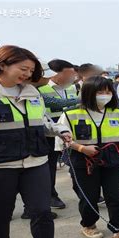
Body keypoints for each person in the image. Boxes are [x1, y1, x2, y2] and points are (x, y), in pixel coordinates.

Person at [0, 45, 76, 238]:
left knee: (41, 211)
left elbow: (42, 121)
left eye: (31, 70)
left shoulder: (31, 92)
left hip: (35, 162)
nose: (28, 75)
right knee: (0, 212)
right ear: (2, 65)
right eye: (23, 68)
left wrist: (59, 130)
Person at [58, 76, 119, 238]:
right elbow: (61, 140)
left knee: (114, 195)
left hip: (111, 158)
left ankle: (118, 230)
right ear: (89, 93)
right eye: (100, 92)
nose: (105, 95)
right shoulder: (70, 114)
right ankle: (88, 224)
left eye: (108, 92)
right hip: (82, 160)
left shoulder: (117, 112)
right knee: (88, 196)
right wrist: (81, 148)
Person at [36, 59, 80, 212]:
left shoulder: (72, 88)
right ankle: (51, 195)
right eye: (68, 74)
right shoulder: (40, 89)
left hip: (69, 130)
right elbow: (56, 104)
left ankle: (84, 191)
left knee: (76, 162)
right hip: (49, 131)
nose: (72, 77)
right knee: (49, 166)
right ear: (56, 74)